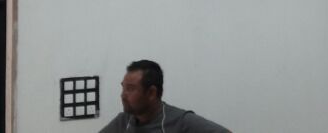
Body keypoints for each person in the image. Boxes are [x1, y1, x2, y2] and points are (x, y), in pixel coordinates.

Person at [98, 59, 230, 133]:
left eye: (131, 89)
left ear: (151, 93)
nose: (123, 95)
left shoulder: (181, 121)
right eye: (123, 87)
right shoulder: (123, 121)